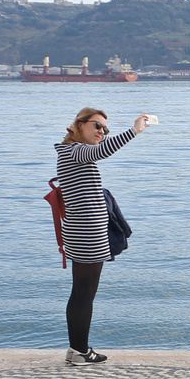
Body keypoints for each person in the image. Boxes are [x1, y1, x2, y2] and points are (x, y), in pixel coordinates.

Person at [55, 106, 150, 365]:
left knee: (82, 292)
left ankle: (77, 349)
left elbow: (99, 148)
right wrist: (134, 131)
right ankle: (80, 351)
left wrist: (101, 135)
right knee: (84, 293)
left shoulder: (75, 152)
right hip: (86, 234)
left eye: (105, 129)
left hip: (84, 231)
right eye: (97, 125)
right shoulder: (75, 151)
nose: (102, 131)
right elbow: (102, 150)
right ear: (79, 125)